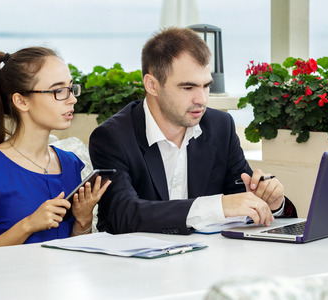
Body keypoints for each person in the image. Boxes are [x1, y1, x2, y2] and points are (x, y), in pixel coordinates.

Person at [89, 27, 297, 235]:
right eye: (188, 88)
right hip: (136, 264)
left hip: (209, 260)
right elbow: (123, 214)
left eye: (206, 86)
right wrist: (216, 207)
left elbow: (241, 200)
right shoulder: (112, 137)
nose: (202, 99)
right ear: (152, 85)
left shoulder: (220, 126)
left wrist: (272, 203)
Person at [0, 47, 111, 250]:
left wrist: (83, 221)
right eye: (58, 91)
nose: (72, 99)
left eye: (71, 88)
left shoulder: (70, 163)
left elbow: (75, 253)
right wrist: (28, 225)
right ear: (21, 101)